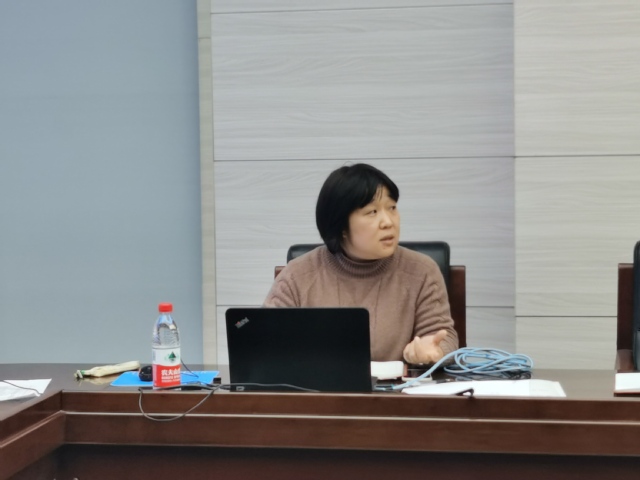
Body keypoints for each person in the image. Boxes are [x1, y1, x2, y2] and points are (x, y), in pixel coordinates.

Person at [264, 163, 458, 364]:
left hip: (396, 385)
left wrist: (433, 352)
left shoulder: (422, 271)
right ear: (341, 226)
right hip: (316, 385)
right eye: (372, 212)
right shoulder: (298, 275)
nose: (388, 222)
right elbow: (264, 341)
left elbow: (442, 337)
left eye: (392, 208)